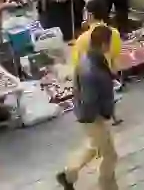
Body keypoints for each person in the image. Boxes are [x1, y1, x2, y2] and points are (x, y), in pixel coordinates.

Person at [56, 25, 118, 190]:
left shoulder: (88, 58)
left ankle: (68, 175)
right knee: (110, 156)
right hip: (92, 117)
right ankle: (107, 186)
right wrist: (104, 114)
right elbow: (90, 99)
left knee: (94, 147)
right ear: (104, 44)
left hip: (87, 114)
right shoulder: (91, 69)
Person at [70, 0, 123, 74]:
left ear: (90, 15)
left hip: (89, 79)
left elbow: (77, 65)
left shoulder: (82, 39)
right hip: (108, 76)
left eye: (85, 12)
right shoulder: (115, 33)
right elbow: (115, 55)